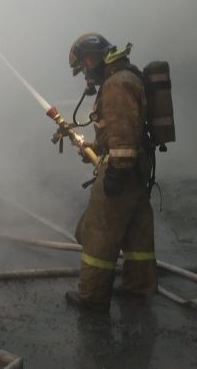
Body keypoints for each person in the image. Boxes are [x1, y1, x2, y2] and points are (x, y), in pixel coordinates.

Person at [65, 33, 157, 312]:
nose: (85, 74)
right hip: (136, 168)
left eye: (83, 66)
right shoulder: (126, 78)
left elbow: (122, 135)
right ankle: (138, 288)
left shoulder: (116, 85)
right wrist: (94, 147)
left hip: (123, 170)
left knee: (99, 233)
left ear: (92, 58)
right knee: (136, 233)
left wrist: (115, 171)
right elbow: (123, 134)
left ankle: (92, 296)